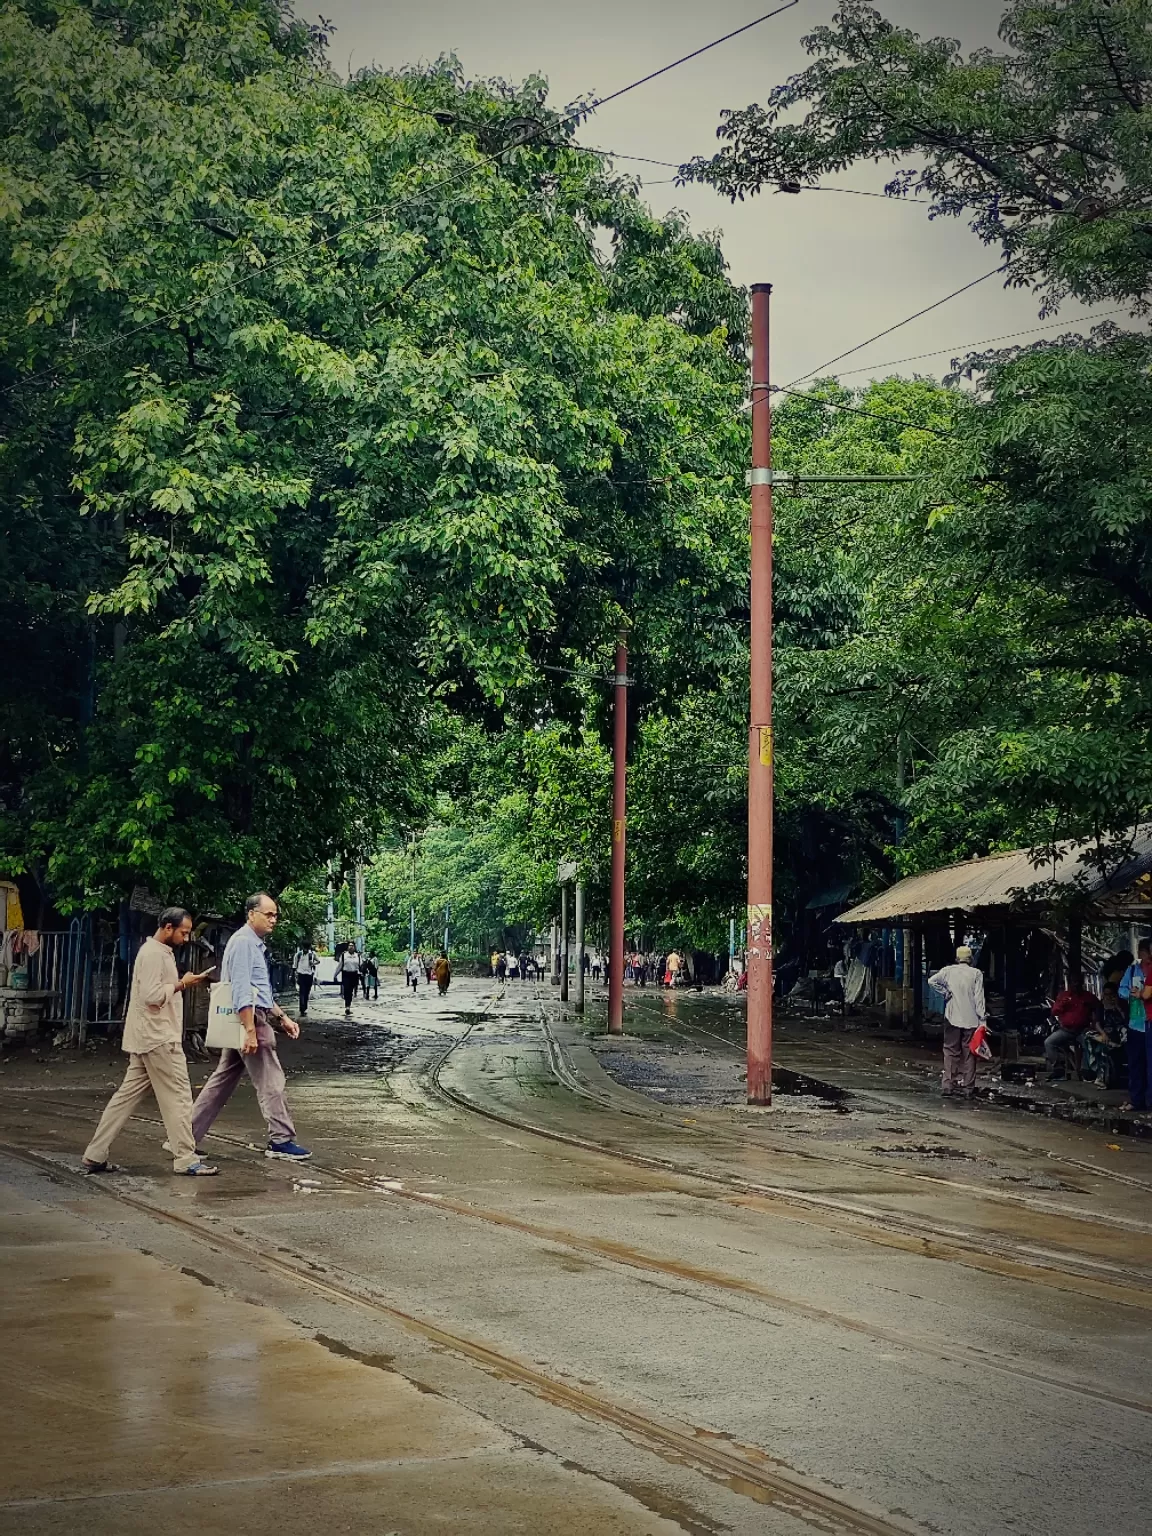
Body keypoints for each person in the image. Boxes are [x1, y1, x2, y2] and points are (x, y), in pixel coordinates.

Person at [82, 908, 218, 1176]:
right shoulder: (154, 954)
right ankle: (186, 1158)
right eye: (183, 932)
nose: (186, 937)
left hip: (147, 1038)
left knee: (125, 1098)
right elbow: (152, 996)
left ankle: (94, 1154)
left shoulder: (154, 952)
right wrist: (182, 984)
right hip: (159, 1038)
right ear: (168, 927)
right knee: (178, 1097)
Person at [191, 892, 310, 1161]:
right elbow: (242, 991)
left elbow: (260, 991)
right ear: (251, 914)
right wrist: (250, 1031)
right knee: (271, 1080)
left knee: (221, 1081)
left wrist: (282, 1018)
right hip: (250, 1020)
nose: (273, 920)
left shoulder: (250, 944)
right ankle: (281, 1139)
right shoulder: (244, 943)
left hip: (251, 1019)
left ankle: (186, 1137)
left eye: (275, 915)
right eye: (268, 914)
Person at [927, 946, 987, 1098]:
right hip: (971, 1019)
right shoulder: (976, 974)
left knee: (950, 1051)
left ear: (957, 958)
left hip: (952, 1018)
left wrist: (945, 993)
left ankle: (948, 1085)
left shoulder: (948, 971)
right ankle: (968, 1088)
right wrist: (983, 1019)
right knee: (969, 1054)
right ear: (971, 959)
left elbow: (931, 981)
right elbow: (979, 999)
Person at [1045, 971, 1099, 1080]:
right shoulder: (1064, 996)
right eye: (1074, 982)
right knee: (1049, 1042)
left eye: (1078, 982)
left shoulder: (1088, 996)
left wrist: (1093, 1022)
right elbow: (1054, 1012)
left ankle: (1086, 1071)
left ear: (1082, 983)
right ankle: (1058, 1069)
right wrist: (1062, 1004)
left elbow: (1098, 1008)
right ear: (1070, 983)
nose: (1076, 984)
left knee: (1089, 1044)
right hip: (1066, 1030)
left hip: (1082, 1030)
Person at [1119, 939, 1152, 1110]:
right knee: (1136, 1064)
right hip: (1136, 1023)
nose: (1139, 955)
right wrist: (1130, 995)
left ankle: (1147, 1101)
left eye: (1142, 951)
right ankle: (1137, 1100)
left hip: (1149, 1023)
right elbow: (1121, 990)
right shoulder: (1132, 971)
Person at [1083, 982, 1127, 1089]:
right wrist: (1103, 1034)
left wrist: (1117, 1007)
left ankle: (1104, 1078)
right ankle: (1095, 1074)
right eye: (1106, 994)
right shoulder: (1101, 1006)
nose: (1108, 997)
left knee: (1106, 1048)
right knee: (1089, 1038)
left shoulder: (1122, 1004)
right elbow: (1097, 1023)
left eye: (1111, 994)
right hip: (1105, 1034)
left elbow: (1126, 1020)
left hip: (1120, 1033)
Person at [293, 943, 318, 1017]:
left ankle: (305, 1007)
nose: (305, 950)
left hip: (309, 975)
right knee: (302, 992)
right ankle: (302, 1008)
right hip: (301, 974)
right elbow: (295, 965)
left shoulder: (312, 954)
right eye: (304, 948)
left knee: (307, 992)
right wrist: (295, 974)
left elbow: (318, 961)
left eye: (307, 948)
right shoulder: (298, 954)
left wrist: (313, 963)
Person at [336, 943, 361, 1015]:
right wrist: (335, 975)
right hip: (346, 974)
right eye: (349, 946)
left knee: (351, 991)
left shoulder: (358, 956)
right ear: (347, 947)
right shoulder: (344, 955)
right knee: (347, 990)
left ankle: (348, 1005)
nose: (351, 947)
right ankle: (347, 1007)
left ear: (354, 947)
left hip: (354, 975)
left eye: (352, 946)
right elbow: (340, 966)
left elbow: (361, 966)